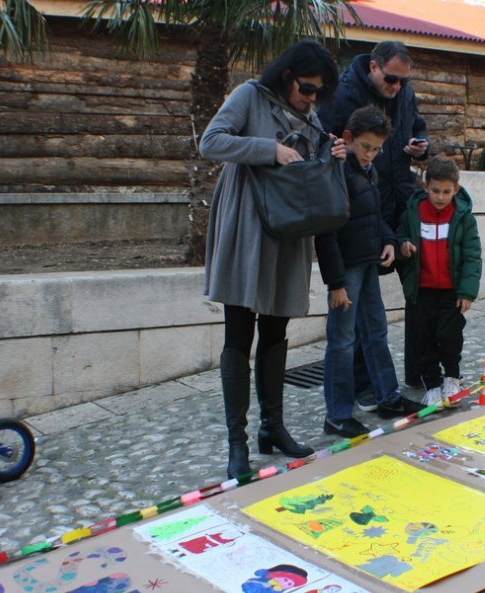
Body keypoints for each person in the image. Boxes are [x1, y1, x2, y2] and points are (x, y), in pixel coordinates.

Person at [200, 40, 347, 479]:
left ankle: (273, 428)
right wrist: (269, 149)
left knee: (276, 332)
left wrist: (332, 156)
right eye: (307, 88)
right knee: (238, 334)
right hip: (246, 227)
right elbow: (212, 142)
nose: (312, 97)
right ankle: (237, 443)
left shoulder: (311, 116)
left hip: (288, 231)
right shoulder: (249, 96)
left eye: (319, 91)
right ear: (286, 76)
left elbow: (310, 171)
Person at [317, 40, 431, 406]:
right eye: (392, 79)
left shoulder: (404, 94)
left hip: (393, 206)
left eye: (403, 81)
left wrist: (420, 145)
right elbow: (318, 142)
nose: (397, 87)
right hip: (352, 225)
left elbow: (416, 125)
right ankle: (351, 397)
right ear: (373, 68)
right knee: (347, 330)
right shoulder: (342, 95)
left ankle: (400, 385)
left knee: (385, 319)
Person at [396, 156, 482, 407]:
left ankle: (452, 377)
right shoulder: (413, 213)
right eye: (435, 191)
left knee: (450, 337)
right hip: (421, 291)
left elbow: (472, 254)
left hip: (451, 292)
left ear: (456, 189)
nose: (441, 197)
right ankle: (432, 384)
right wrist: (404, 245)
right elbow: (400, 234)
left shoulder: (464, 216)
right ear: (425, 187)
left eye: (446, 192)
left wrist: (467, 292)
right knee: (423, 339)